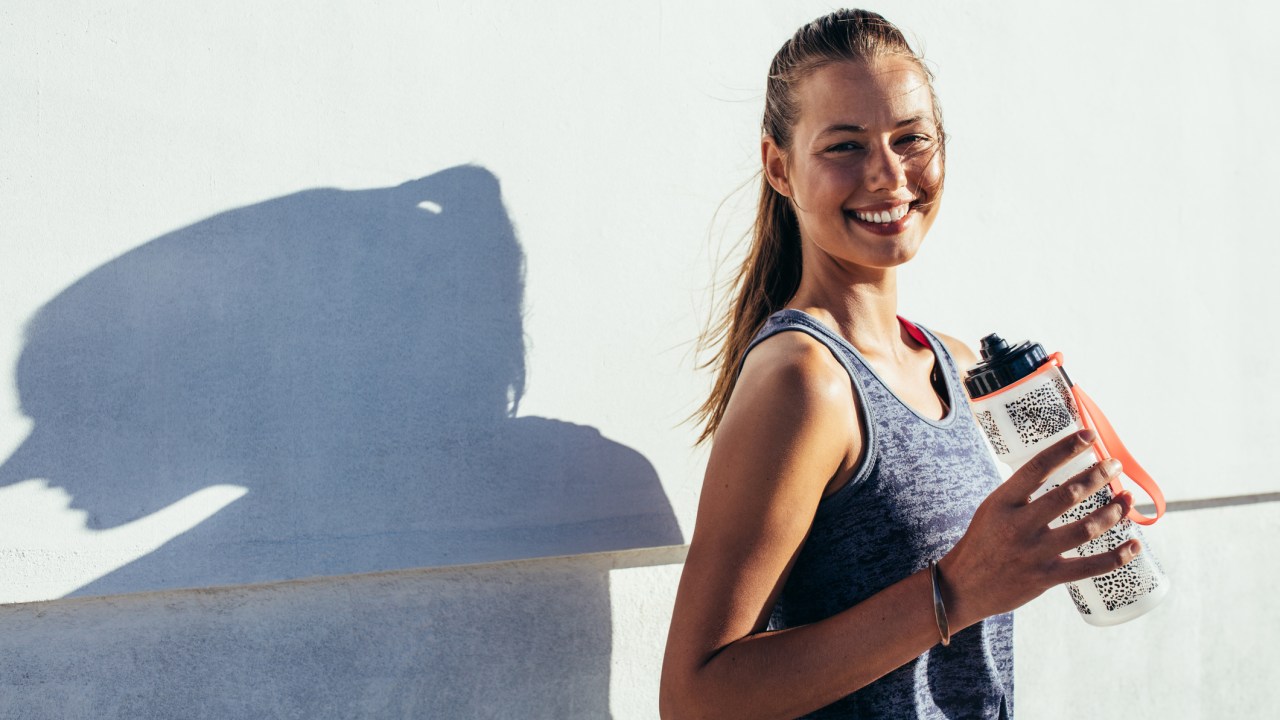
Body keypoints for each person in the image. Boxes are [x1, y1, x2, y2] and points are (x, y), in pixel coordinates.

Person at [659, 10, 1142, 719]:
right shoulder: (805, 380)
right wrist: (955, 590)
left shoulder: (957, 362)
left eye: (911, 139)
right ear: (779, 167)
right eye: (846, 146)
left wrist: (1074, 524)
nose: (889, 176)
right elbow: (695, 698)